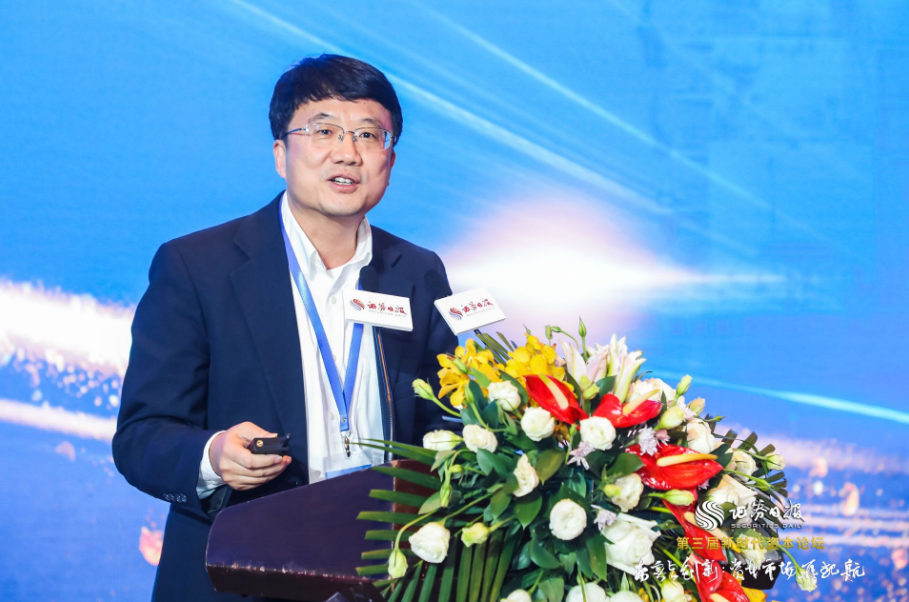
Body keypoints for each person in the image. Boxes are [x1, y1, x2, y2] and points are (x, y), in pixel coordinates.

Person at [113, 54, 458, 602]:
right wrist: (213, 456)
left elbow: (443, 421)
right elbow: (141, 436)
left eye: (369, 135)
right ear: (281, 154)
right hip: (242, 574)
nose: (347, 152)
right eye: (324, 130)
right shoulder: (197, 267)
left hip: (387, 577)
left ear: (390, 160)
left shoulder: (417, 272)